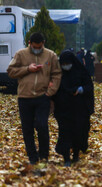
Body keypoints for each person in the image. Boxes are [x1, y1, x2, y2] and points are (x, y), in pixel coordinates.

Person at [7, 32, 62, 165]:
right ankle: (32, 157)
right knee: (27, 129)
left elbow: (56, 74)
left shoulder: (50, 55)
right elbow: (11, 71)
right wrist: (27, 69)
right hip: (24, 97)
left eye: (40, 46)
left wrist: (50, 92)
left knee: (42, 125)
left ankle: (44, 156)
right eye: (35, 46)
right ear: (30, 44)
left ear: (43, 43)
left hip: (42, 97)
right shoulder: (21, 54)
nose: (38, 49)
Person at [52, 50, 94, 167]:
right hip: (63, 110)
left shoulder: (81, 72)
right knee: (65, 133)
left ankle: (76, 155)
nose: (66, 65)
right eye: (63, 63)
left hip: (79, 110)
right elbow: (54, 90)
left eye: (68, 63)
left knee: (78, 133)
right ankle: (66, 158)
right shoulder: (58, 74)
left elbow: (89, 86)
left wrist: (80, 90)